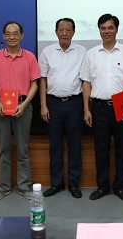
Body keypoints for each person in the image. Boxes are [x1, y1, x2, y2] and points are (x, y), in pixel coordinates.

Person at [81, 13, 123, 202]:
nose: (107, 31)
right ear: (99, 30)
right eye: (103, 28)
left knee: (122, 148)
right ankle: (102, 186)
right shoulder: (91, 54)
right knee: (101, 148)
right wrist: (86, 109)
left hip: (122, 105)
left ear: (116, 29)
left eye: (110, 28)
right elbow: (86, 83)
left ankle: (120, 186)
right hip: (99, 106)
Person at [0, 21, 41, 201]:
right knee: (3, 149)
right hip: (0, 107)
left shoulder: (30, 57)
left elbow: (34, 84)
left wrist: (24, 105)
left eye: (15, 33)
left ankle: (24, 187)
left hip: (22, 106)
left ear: (22, 36)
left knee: (23, 149)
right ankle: (3, 187)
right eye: (8, 34)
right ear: (3, 36)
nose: (12, 37)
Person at [39, 18, 86, 198]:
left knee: (75, 144)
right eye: (61, 29)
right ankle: (56, 183)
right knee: (55, 145)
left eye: (68, 30)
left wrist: (86, 107)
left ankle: (73, 183)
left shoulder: (82, 52)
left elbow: (86, 80)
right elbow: (43, 80)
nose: (64, 33)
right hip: (53, 103)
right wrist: (43, 105)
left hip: (75, 102)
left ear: (73, 32)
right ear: (56, 31)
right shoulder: (47, 52)